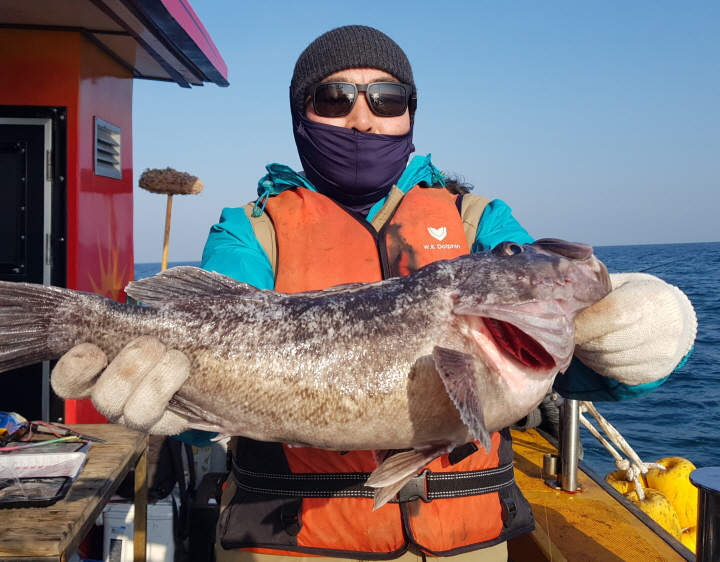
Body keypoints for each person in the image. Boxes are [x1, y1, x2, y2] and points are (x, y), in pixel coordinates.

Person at [51, 26, 697, 562]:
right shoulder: (250, 231)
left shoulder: (480, 222)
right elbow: (212, 344)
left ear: (412, 111)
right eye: (334, 97)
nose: (362, 117)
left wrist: (636, 340)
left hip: (469, 542)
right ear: (300, 113)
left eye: (387, 98)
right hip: (292, 543)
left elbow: (569, 362)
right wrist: (181, 413)